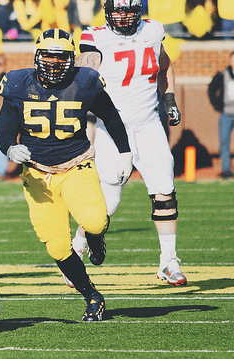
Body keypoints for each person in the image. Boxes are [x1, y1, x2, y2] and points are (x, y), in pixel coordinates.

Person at [0, 29, 133, 321]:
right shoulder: (18, 84)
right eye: (48, 56)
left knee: (95, 220)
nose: (55, 63)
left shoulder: (85, 83)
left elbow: (111, 116)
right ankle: (91, 295)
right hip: (37, 174)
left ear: (72, 59)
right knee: (58, 246)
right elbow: (5, 131)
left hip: (75, 164)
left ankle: (95, 238)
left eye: (61, 57)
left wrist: (125, 152)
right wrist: (9, 149)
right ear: (37, 56)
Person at [77, 0, 186, 286]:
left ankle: (169, 261)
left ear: (138, 11)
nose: (123, 17)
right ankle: (77, 246)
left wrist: (169, 96)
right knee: (107, 203)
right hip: (113, 128)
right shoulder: (95, 37)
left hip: (149, 124)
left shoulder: (152, 31)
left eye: (128, 11)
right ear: (108, 12)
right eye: (118, 11)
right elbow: (83, 81)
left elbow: (164, 66)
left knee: (165, 187)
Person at [208, 51, 234, 178]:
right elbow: (211, 88)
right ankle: (226, 169)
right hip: (226, 113)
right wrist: (216, 105)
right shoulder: (223, 74)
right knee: (224, 141)